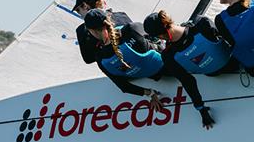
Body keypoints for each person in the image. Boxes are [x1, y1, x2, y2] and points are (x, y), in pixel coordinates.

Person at [84, 9, 215, 129]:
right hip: (171, 65)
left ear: (91, 31)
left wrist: (150, 93)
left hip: (155, 77)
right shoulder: (131, 29)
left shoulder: (101, 59)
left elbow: (124, 87)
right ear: (109, 20)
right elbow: (156, 31)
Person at [143, 11, 232, 76]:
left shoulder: (168, 55)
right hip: (232, 61)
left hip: (212, 73)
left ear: (160, 36)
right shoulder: (202, 22)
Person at [71, 0, 132, 64]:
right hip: (144, 65)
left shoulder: (82, 31)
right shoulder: (122, 15)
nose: (79, 14)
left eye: (78, 10)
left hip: (120, 73)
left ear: (85, 5)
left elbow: (88, 59)